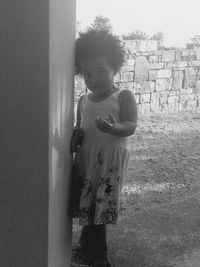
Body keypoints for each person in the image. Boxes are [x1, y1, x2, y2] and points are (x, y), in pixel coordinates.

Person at [72, 29, 138, 267]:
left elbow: (131, 125)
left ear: (115, 68)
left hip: (109, 166)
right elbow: (80, 128)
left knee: (99, 208)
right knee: (88, 206)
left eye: (101, 71)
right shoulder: (83, 100)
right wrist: (75, 136)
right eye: (87, 73)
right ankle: (86, 246)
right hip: (87, 162)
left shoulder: (123, 95)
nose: (94, 79)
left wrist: (113, 128)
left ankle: (100, 256)